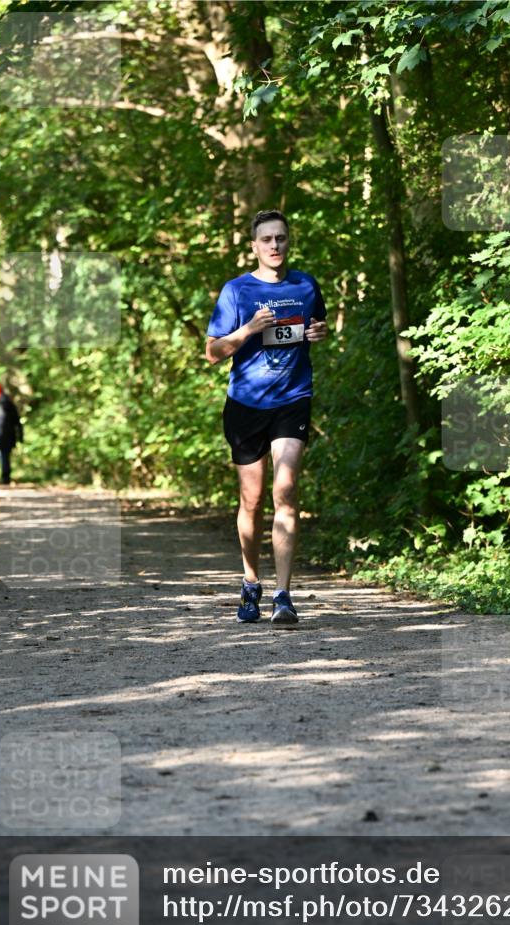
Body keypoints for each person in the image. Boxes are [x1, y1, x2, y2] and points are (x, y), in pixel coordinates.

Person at [206, 209, 328, 625]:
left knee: (287, 490)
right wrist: (248, 330)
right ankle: (250, 581)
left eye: (281, 238)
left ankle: (284, 594)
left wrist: (318, 333)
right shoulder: (236, 292)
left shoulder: (305, 285)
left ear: (288, 242)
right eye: (267, 240)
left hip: (292, 398)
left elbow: (314, 327)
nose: (275, 246)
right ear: (254, 246)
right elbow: (212, 352)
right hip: (245, 404)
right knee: (252, 500)